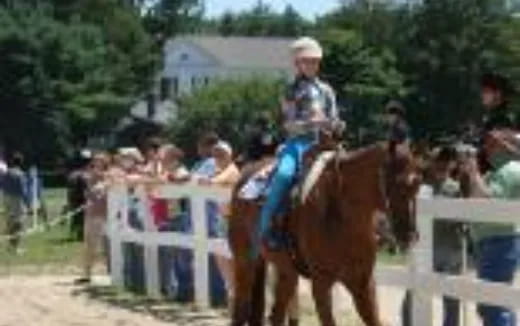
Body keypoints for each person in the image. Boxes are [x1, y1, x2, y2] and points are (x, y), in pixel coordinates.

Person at [254, 36, 340, 254]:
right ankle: (267, 230)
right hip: (298, 143)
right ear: (297, 64)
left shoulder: (327, 90)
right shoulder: (290, 90)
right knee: (283, 175)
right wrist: (311, 123)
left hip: (326, 144)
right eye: (307, 61)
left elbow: (335, 118)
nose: (312, 65)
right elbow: (288, 124)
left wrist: (336, 124)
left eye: (315, 61)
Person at [402, 146, 466, 326]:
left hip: (450, 249)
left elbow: (463, 218)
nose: (443, 164)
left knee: (452, 297)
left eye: (447, 160)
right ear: (431, 161)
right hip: (425, 249)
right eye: (439, 159)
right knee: (414, 293)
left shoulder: (456, 187)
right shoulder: (420, 186)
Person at [464, 131, 520, 326]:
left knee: (493, 305)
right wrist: (474, 174)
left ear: (507, 146)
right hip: (493, 243)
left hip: (498, 243)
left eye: (492, 144)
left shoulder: (511, 170)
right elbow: (473, 200)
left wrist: (473, 171)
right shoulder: (495, 173)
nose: (487, 150)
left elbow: (488, 201)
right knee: (494, 304)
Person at [199, 140, 240, 312]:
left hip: (233, 220)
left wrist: (204, 179)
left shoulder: (230, 170)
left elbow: (212, 182)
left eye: (221, 154)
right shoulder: (220, 170)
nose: (217, 157)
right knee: (223, 257)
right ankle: (233, 300)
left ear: (229, 155)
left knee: (231, 261)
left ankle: (235, 302)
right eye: (215, 154)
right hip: (224, 219)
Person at [76, 152, 110, 284]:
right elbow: (88, 194)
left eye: (100, 162)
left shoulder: (109, 176)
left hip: (105, 214)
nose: (97, 164)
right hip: (91, 213)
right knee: (89, 243)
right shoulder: (89, 177)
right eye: (95, 162)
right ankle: (87, 273)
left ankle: (112, 271)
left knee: (107, 245)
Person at [3, 153, 28, 254]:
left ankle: (10, 245)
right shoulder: (21, 174)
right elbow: (23, 191)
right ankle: (15, 247)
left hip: (6, 198)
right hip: (17, 199)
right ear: (21, 163)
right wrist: (28, 203)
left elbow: (3, 185)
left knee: (10, 221)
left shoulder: (7, 173)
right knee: (18, 223)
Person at [67, 149, 91, 241]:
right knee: (83, 216)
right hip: (82, 198)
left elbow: (70, 190)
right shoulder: (85, 174)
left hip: (74, 198)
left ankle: (77, 233)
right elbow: (86, 188)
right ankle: (81, 234)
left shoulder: (73, 174)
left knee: (77, 216)